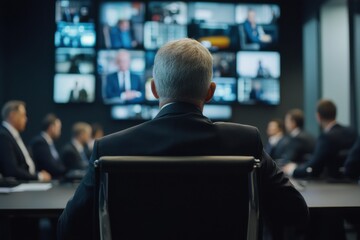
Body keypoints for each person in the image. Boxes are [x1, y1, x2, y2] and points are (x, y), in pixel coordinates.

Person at [58, 38, 308, 240]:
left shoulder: (109, 147)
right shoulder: (244, 141)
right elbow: (296, 211)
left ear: (154, 89)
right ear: (211, 92)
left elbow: (68, 228)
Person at [283, 100, 358, 179]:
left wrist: (293, 170)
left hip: (332, 184)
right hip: (354, 183)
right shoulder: (351, 132)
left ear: (318, 117)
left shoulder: (326, 137)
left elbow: (314, 166)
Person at [0, 100, 51, 181]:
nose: (26, 119)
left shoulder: (13, 135)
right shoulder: (3, 136)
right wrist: (38, 176)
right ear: (12, 115)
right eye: (23, 115)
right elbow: (11, 170)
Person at [29, 114, 66, 179]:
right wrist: (66, 171)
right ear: (51, 127)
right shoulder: (40, 142)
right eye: (58, 128)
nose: (60, 131)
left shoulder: (49, 142)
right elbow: (50, 166)